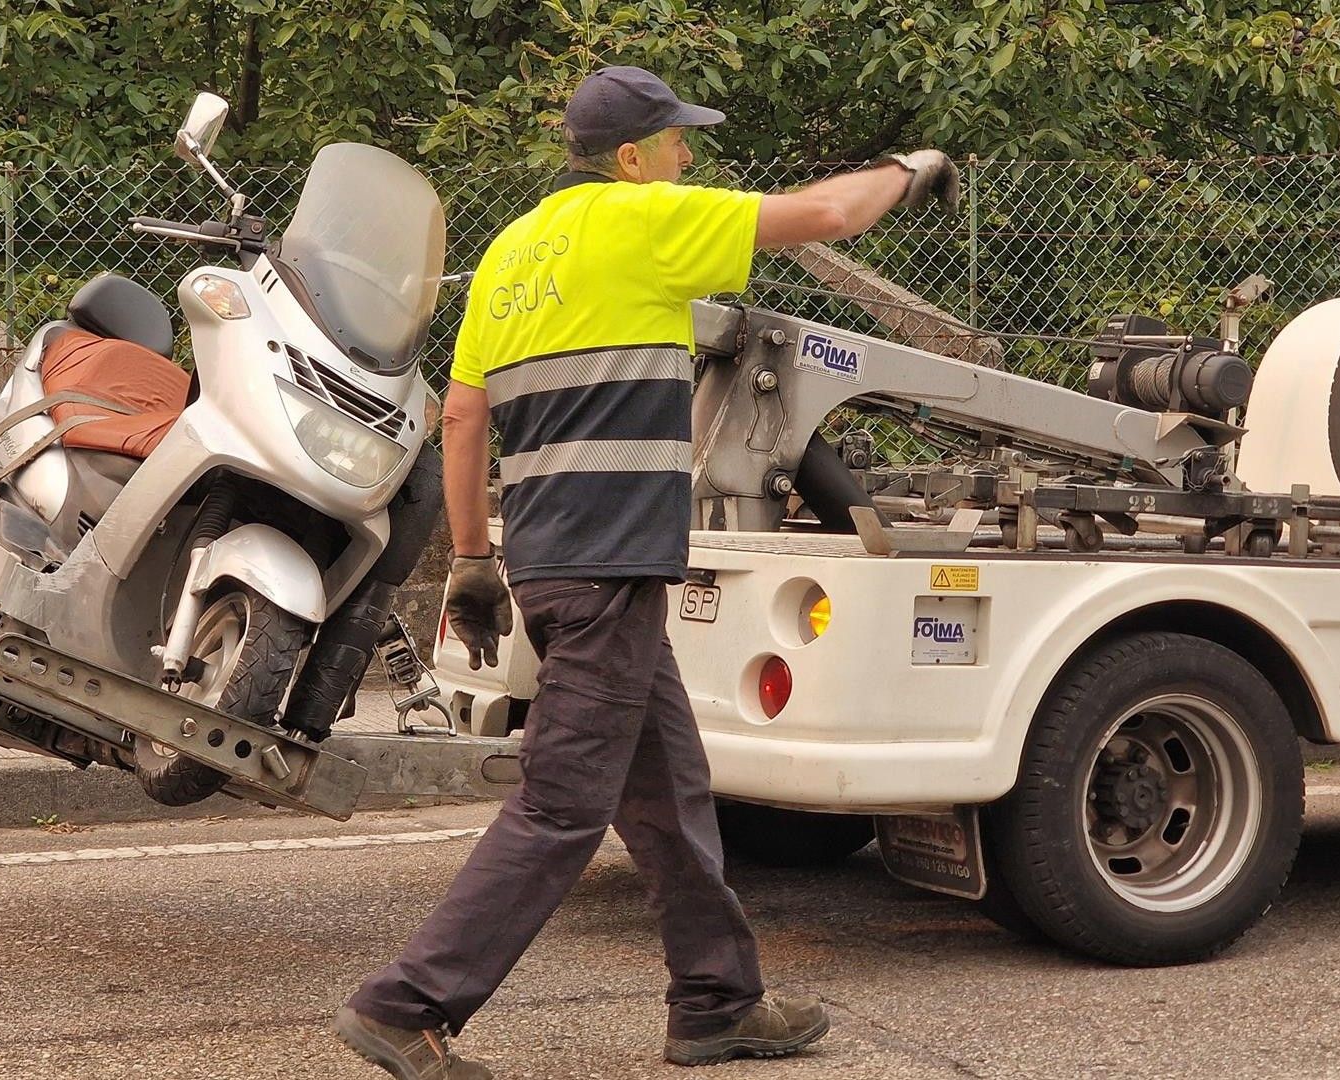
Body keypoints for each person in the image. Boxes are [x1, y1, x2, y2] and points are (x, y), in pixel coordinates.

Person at [335, 66, 958, 1078]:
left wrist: (476, 562)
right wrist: (910, 166)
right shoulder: (646, 222)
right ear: (631, 159)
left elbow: (461, 415)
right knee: (562, 807)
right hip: (608, 563)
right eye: (676, 141)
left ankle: (718, 1003)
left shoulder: (509, 253)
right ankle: (406, 1006)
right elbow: (834, 211)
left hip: (549, 560)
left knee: (669, 787)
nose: (689, 157)